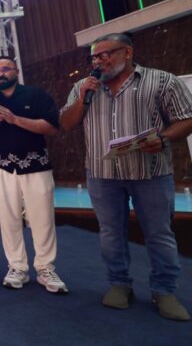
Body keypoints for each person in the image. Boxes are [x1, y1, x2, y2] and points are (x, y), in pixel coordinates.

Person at [59, 33, 192, 321]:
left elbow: (186, 118)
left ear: (128, 52)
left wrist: (164, 138)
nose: (99, 61)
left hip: (151, 172)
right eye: (95, 56)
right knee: (110, 234)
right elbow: (66, 123)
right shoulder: (83, 86)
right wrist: (81, 99)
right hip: (102, 175)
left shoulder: (161, 81)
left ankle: (164, 290)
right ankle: (119, 284)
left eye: (106, 54)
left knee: (159, 234)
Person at [0, 56, 67, 293]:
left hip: (36, 167)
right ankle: (17, 267)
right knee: (8, 220)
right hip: (1, 168)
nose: (0, 74)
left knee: (42, 220)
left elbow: (52, 127)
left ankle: (45, 268)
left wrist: (15, 119)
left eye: (5, 69)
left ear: (16, 71)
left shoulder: (35, 95)